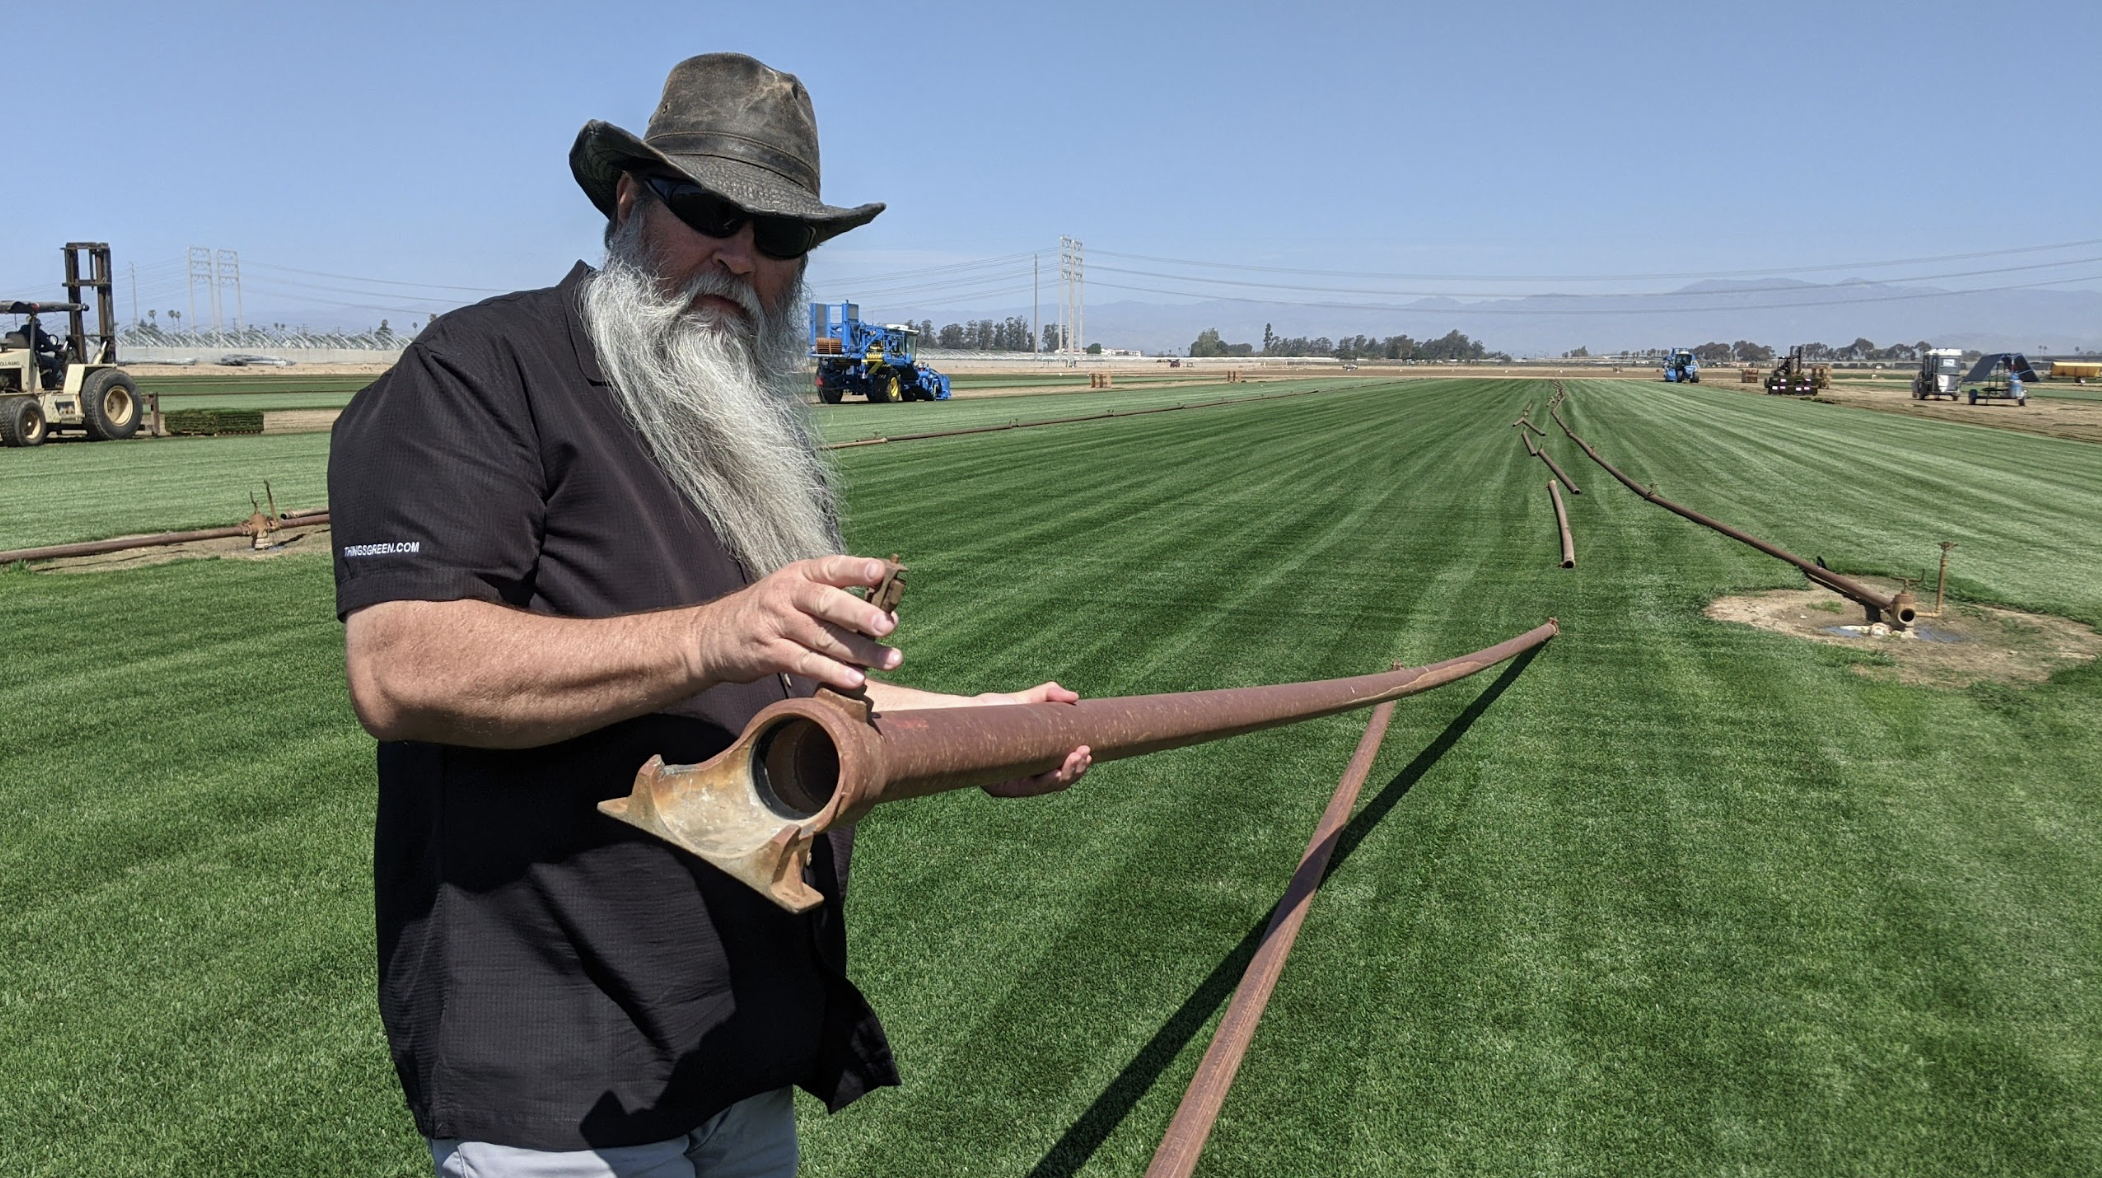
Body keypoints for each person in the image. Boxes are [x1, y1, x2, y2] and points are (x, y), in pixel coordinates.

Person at [328, 53, 1091, 1178]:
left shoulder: (741, 429)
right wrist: (710, 631)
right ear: (631, 199)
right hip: (564, 1079)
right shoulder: (484, 369)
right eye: (710, 209)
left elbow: (788, 685)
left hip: (733, 1044)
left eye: (778, 235)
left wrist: (976, 725)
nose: (739, 253)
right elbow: (399, 665)